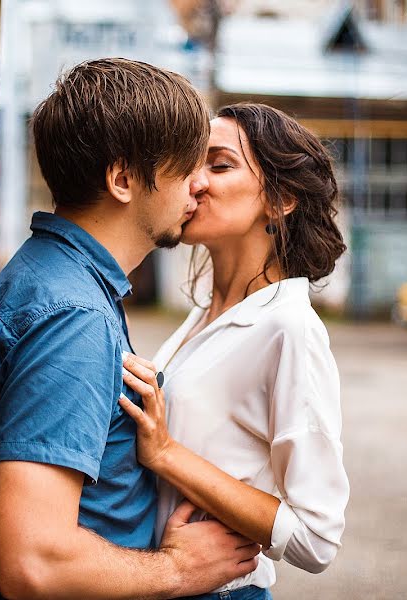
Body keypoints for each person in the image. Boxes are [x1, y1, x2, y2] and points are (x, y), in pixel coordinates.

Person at [0, 60, 262, 600]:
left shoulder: (53, 276)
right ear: (124, 180)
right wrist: (179, 571)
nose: (200, 186)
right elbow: (31, 561)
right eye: (186, 169)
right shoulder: (73, 317)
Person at [120, 103, 351, 600]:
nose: (194, 182)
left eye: (219, 165)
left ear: (281, 199)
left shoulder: (290, 328)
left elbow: (317, 537)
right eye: (191, 163)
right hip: (167, 580)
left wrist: (167, 454)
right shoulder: (205, 310)